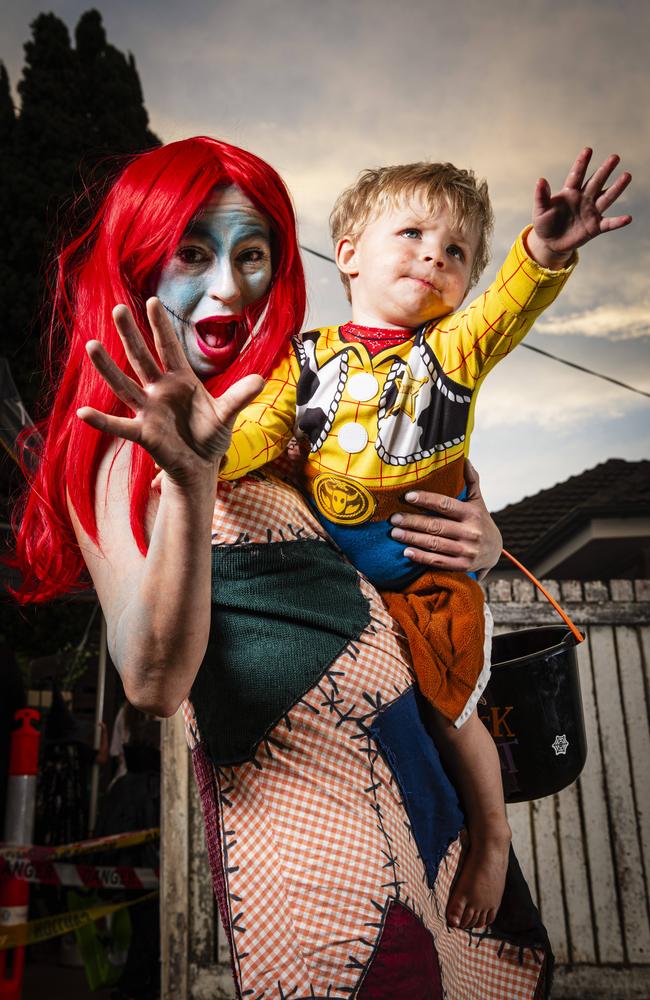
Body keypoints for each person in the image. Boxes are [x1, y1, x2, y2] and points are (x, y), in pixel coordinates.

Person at [14, 136, 552, 999]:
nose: (228, 285)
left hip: (423, 791)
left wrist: (481, 542)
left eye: (252, 254)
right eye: (193, 251)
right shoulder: (117, 457)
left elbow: (394, 522)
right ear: (135, 261)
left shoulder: (294, 407)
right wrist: (189, 483)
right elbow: (152, 680)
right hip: (313, 843)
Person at [213, 149, 633, 928]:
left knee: (449, 712)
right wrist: (204, 448)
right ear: (347, 254)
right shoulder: (302, 363)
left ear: (468, 284)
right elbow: (255, 439)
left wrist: (541, 253)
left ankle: (493, 835)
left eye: (457, 253)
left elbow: (507, 310)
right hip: (334, 584)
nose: (434, 256)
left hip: (423, 580)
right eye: (410, 234)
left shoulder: (452, 353)